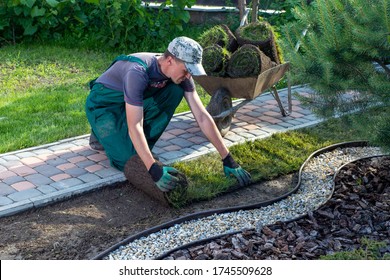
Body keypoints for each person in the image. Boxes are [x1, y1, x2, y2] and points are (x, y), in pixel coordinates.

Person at [85, 36, 251, 192]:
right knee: (127, 160)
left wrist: (227, 157)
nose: (188, 75)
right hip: (105, 106)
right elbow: (135, 125)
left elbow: (201, 115)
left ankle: (122, 138)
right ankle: (101, 132)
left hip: (130, 103)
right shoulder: (137, 71)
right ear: (170, 60)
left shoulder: (181, 75)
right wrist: (153, 169)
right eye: (187, 70)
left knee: (174, 89)